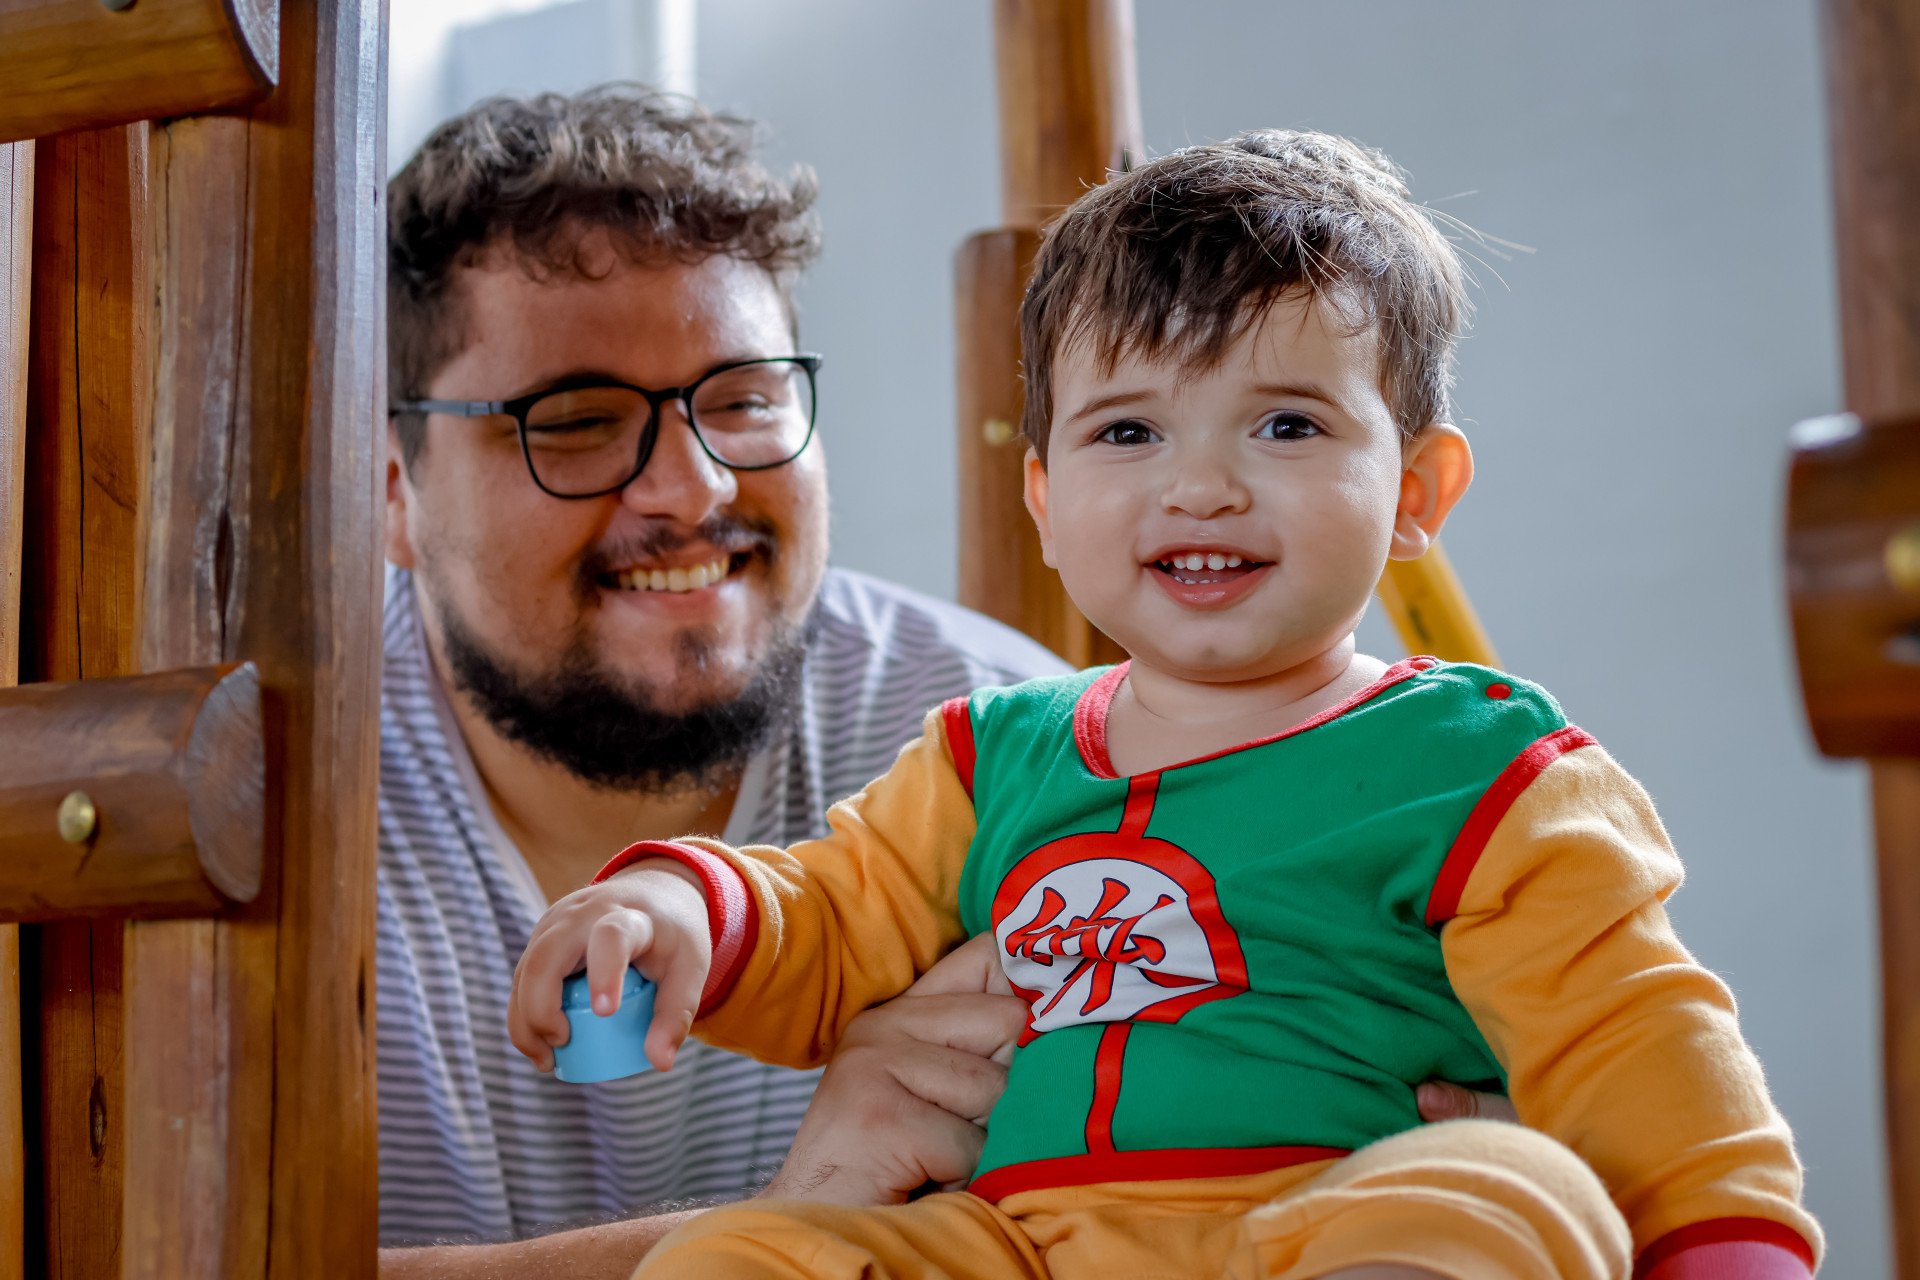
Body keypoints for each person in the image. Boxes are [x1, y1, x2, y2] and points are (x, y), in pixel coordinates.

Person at [509, 130, 1824, 1280]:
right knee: (741, 1250)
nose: (1200, 488)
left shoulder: (1477, 768)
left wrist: (1720, 1242)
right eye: (1128, 433)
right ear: (1046, 499)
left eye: (1288, 427)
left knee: (1511, 1191)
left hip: (1322, 1224)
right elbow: (832, 916)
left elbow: (1638, 1044)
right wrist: (680, 904)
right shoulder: (989, 758)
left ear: (1418, 492)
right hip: (1018, 1246)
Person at [374, 85, 1069, 1274]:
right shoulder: (252, 800)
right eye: (577, 420)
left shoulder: (1019, 746)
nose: (691, 490)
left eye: (743, 400)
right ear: (391, 486)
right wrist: (804, 1228)